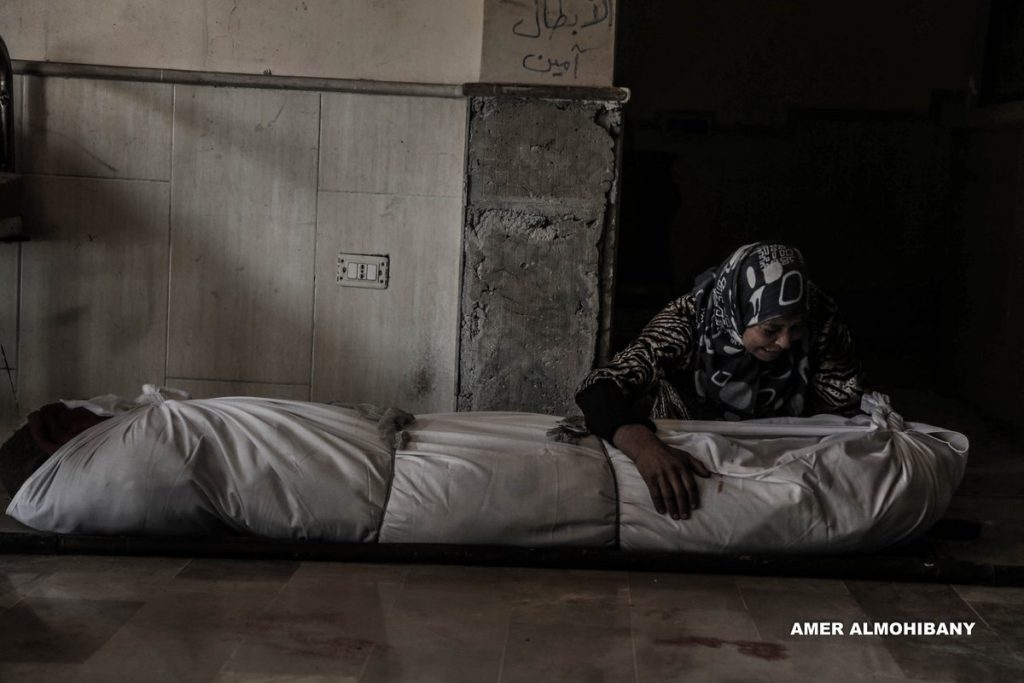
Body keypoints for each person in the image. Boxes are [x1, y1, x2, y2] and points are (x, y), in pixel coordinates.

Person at [575, 241, 863, 521]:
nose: (786, 342)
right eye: (770, 329)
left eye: (795, 328)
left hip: (785, 458)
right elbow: (599, 387)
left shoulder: (819, 316)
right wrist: (646, 450)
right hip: (694, 457)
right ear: (738, 311)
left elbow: (842, 412)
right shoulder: (690, 319)